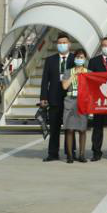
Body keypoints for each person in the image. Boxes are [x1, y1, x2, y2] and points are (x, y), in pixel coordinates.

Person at [40, 34, 72, 162]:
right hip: (53, 97)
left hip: (71, 98)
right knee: (54, 127)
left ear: (69, 44)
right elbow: (44, 80)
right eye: (60, 43)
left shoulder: (75, 59)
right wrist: (43, 97)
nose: (62, 44)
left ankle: (71, 152)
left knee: (70, 127)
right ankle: (53, 153)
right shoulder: (50, 60)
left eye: (64, 42)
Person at [60, 48, 90, 163]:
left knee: (82, 129)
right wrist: (74, 76)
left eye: (81, 57)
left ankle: (82, 154)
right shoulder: (68, 72)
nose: (79, 59)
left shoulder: (89, 72)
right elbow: (64, 86)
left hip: (83, 102)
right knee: (70, 129)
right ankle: (70, 155)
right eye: (77, 57)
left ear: (85, 59)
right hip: (70, 101)